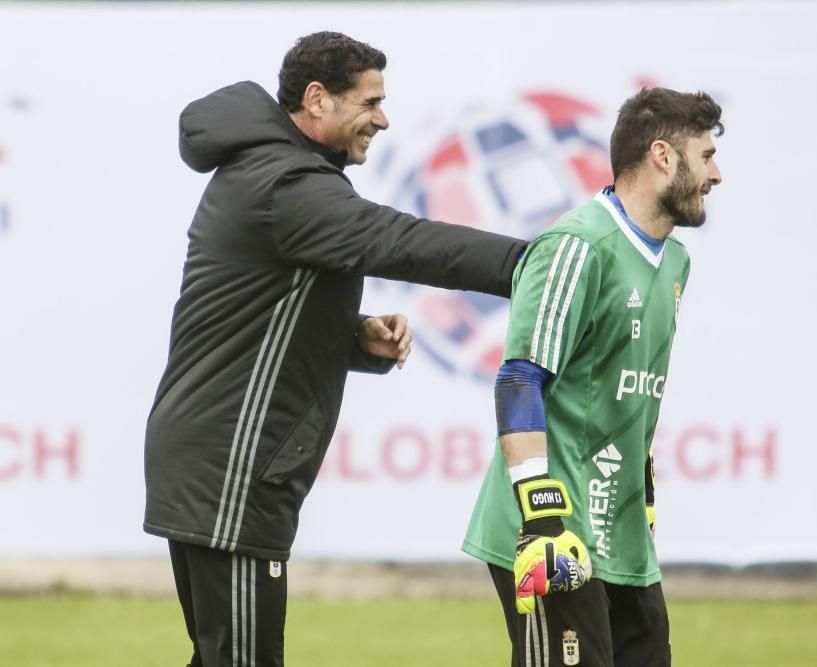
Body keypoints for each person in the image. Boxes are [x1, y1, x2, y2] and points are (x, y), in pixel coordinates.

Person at [143, 32, 527, 667]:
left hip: (219, 462)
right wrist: (533, 262)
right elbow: (400, 239)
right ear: (317, 100)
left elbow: (254, 318)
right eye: (369, 101)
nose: (383, 118)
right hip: (230, 469)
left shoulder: (279, 172)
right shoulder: (286, 182)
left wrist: (354, 333)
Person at [463, 87, 724, 667]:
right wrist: (543, 519)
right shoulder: (577, 245)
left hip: (622, 530)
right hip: (554, 528)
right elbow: (519, 380)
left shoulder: (675, 261)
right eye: (706, 156)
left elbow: (629, 390)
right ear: (663, 156)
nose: (717, 174)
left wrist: (645, 490)